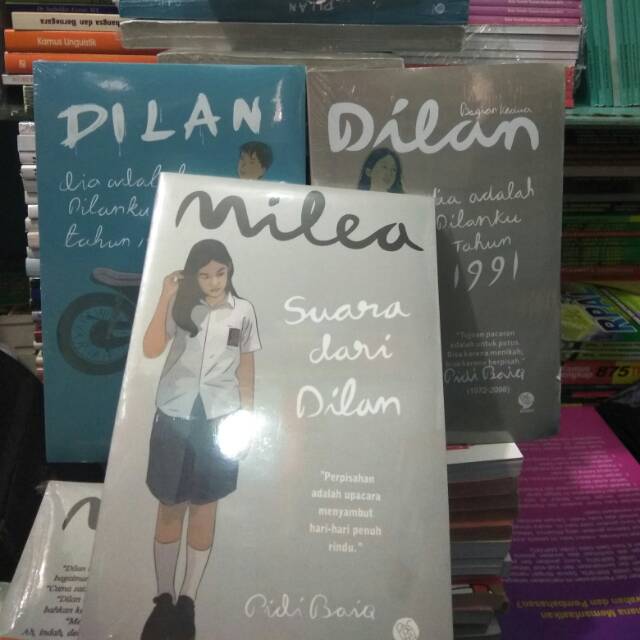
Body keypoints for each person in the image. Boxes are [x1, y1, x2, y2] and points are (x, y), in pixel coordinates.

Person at [140, 239, 261, 640]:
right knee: (169, 505)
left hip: (220, 419)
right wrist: (165, 295)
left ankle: (188, 600)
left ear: (230, 271)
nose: (213, 281)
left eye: (220, 272)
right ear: (194, 275)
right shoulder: (181, 304)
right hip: (174, 414)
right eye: (205, 274)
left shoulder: (243, 311)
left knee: (205, 507)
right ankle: (163, 597)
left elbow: (246, 367)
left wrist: (246, 420)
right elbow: (151, 349)